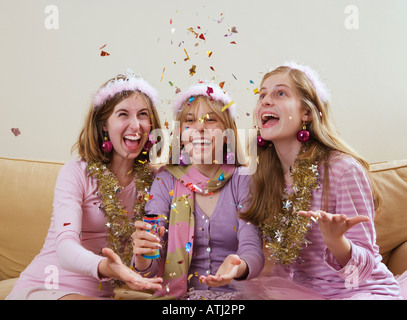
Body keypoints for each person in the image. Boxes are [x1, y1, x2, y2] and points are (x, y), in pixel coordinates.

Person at [239, 61, 407, 300]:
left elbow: (360, 273)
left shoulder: (342, 170)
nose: (265, 100)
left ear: (306, 113)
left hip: (359, 292)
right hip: (297, 291)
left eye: (281, 93)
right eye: (262, 94)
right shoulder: (261, 176)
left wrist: (336, 241)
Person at [6, 69, 163, 300]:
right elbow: (65, 248)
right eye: (123, 114)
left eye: (142, 115)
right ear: (104, 126)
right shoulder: (76, 172)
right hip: (45, 287)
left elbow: (148, 271)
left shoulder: (156, 181)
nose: (136, 125)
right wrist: (107, 267)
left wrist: (141, 259)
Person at [132, 82, 265, 300]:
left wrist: (237, 267)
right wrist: (143, 256)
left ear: (227, 132)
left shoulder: (243, 179)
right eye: (190, 120)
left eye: (211, 119)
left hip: (236, 297)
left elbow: (252, 248)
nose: (200, 128)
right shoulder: (165, 180)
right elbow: (149, 269)